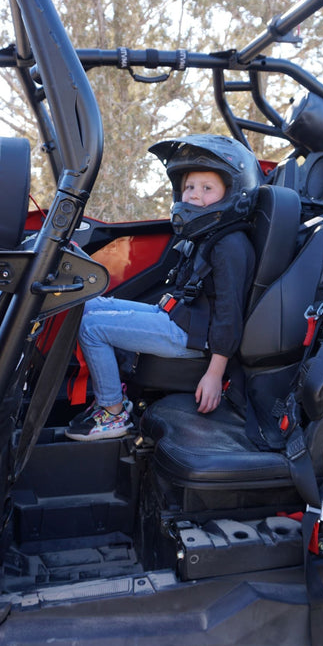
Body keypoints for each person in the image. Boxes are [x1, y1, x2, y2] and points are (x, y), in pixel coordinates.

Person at [66, 133, 261, 442]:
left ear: (233, 192)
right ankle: (114, 393)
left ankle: (113, 412)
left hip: (193, 336)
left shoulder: (230, 245)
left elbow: (229, 314)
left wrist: (214, 374)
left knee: (91, 328)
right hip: (179, 317)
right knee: (88, 304)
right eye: (190, 187)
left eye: (207, 188)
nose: (194, 196)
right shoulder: (207, 235)